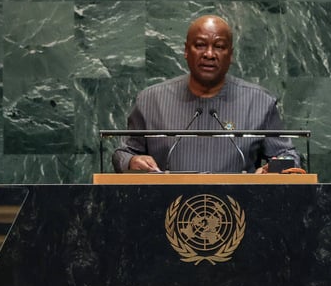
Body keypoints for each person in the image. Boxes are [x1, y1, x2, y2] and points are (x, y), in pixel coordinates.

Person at [112, 15, 300, 173]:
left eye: (219, 46)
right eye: (200, 45)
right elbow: (123, 153)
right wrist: (131, 161)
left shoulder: (260, 103)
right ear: (186, 50)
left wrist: (272, 168)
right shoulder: (150, 101)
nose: (209, 54)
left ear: (231, 55)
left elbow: (288, 156)